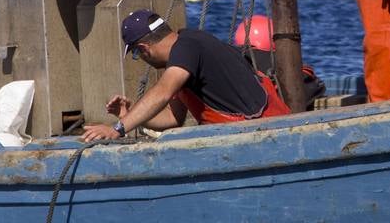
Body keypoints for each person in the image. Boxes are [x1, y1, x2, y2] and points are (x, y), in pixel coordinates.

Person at [81, 10, 288, 141]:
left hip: (262, 134)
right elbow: (173, 118)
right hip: (249, 133)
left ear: (144, 48)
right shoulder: (185, 52)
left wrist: (117, 129)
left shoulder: (186, 48)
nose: (140, 57)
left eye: (136, 53)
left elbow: (162, 92)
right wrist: (128, 114)